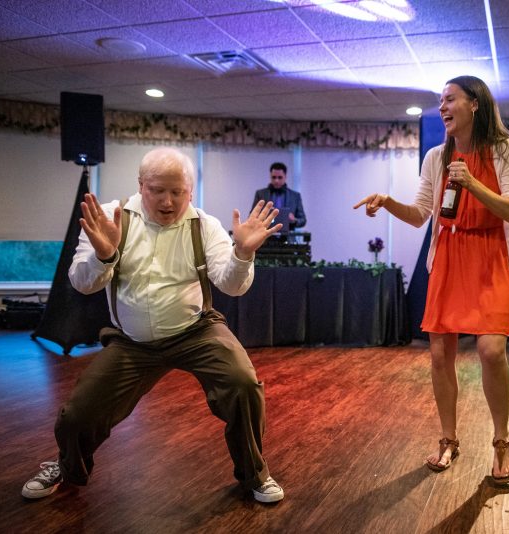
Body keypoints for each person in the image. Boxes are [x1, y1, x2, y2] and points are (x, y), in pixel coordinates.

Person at [22, 148, 286, 503]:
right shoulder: (111, 219)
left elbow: (232, 285)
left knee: (244, 385)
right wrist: (105, 256)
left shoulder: (204, 225)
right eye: (158, 190)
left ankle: (254, 474)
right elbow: (82, 283)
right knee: (77, 416)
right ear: (141, 186)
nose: (168, 201)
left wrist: (242, 255)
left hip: (195, 330)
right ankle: (67, 468)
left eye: (177, 192)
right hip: (132, 341)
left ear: (190, 191)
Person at [354, 75, 509, 486]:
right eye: (440, 101)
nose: (443, 108)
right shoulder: (436, 156)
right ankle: (448, 438)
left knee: (490, 350)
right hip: (449, 255)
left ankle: (501, 440)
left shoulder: (506, 150)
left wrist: (472, 183)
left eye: (451, 99)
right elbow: (419, 215)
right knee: (438, 353)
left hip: (491, 257)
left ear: (476, 105)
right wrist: (388, 201)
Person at [252, 162, 306, 230]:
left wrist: (294, 220)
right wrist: (262, 217)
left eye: (280, 177)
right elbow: (252, 217)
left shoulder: (295, 196)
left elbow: (303, 220)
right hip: (265, 237)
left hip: (288, 238)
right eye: (274, 177)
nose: (276, 180)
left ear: (285, 177)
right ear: (270, 176)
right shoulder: (260, 194)